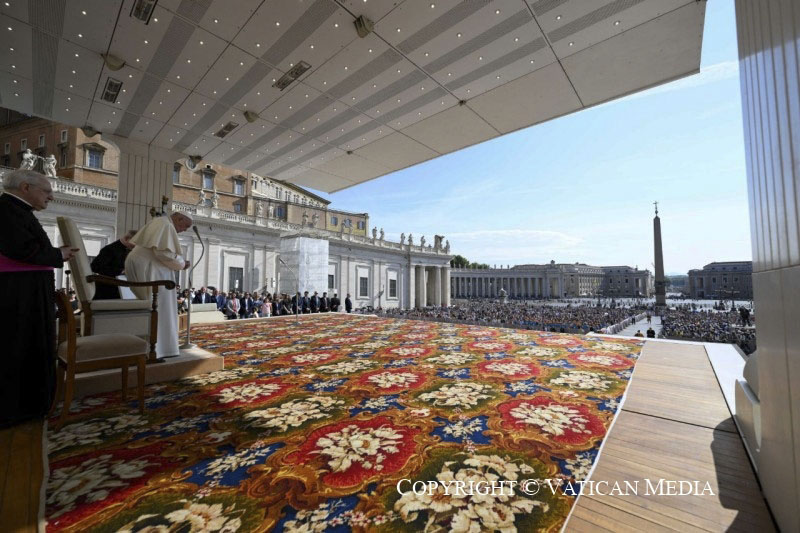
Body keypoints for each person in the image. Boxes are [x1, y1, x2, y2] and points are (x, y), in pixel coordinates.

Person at [0, 170, 78, 428]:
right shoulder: (7, 211)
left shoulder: (17, 211)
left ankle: (32, 404)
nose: (51, 197)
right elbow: (23, 250)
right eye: (46, 191)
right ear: (25, 187)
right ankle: (20, 408)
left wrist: (56, 255)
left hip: (26, 290)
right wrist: (59, 255)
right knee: (21, 344)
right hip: (19, 294)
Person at [125, 212, 192, 359]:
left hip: (146, 265)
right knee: (160, 306)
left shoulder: (161, 222)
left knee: (159, 305)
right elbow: (163, 253)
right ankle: (158, 349)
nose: (185, 230)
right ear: (179, 218)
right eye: (185, 225)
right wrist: (181, 263)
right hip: (149, 268)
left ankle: (154, 347)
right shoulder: (165, 224)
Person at [90, 229, 137, 300]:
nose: (136, 246)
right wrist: (122, 271)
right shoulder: (109, 249)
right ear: (127, 239)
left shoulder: (127, 250)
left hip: (118, 288)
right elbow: (95, 267)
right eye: (135, 243)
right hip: (105, 290)